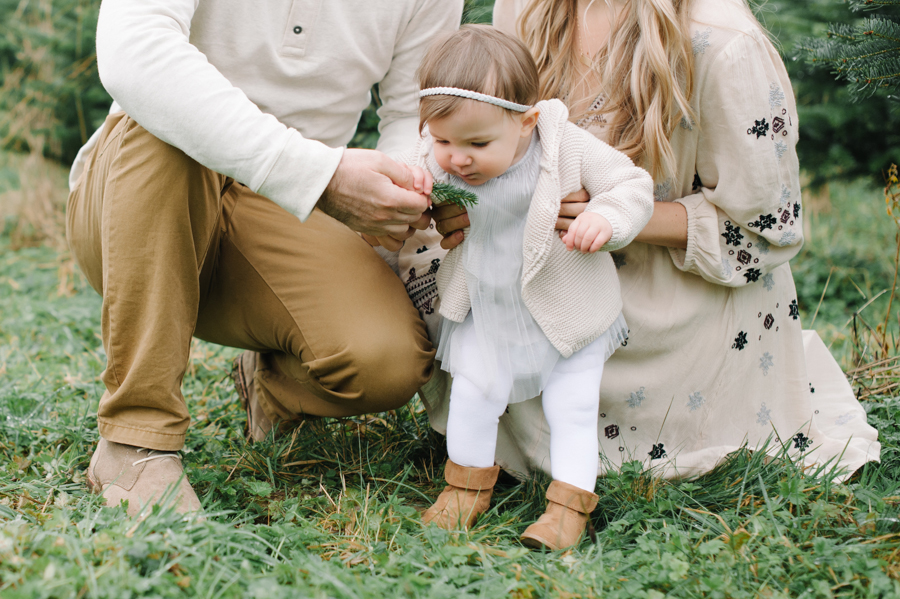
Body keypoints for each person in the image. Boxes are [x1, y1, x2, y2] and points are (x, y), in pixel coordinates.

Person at [399, 0, 880, 510]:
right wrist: (464, 204)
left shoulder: (724, 41)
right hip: (537, 278)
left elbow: (766, 232)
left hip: (672, 307)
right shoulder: (523, 8)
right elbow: (474, 143)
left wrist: (616, 215)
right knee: (431, 274)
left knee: (576, 398)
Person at [66, 0, 462, 517]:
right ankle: (137, 439)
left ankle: (269, 386)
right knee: (169, 125)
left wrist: (410, 184)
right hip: (139, 193)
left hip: (291, 208)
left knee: (383, 362)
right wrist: (319, 174)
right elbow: (135, 49)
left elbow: (413, 110)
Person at [401, 26, 653, 550]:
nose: (458, 159)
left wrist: (605, 217)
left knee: (574, 408)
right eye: (442, 141)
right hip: (486, 307)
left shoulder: (564, 148)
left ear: (526, 121)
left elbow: (631, 185)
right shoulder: (440, 157)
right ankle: (465, 489)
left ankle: (567, 508)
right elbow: (413, 177)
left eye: (476, 144)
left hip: (566, 310)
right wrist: (410, 198)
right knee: (474, 395)